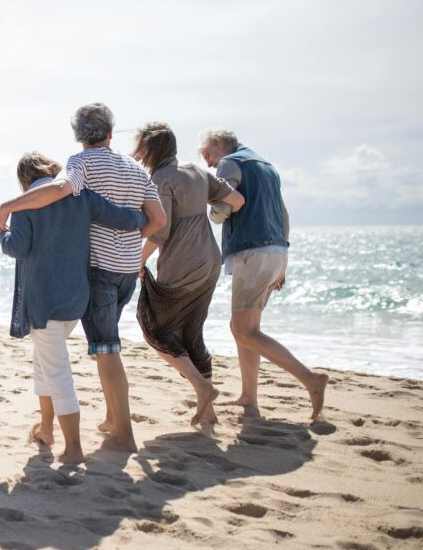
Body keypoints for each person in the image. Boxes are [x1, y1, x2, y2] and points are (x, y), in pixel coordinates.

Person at [0, 103, 166, 452]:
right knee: (65, 358)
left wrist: (6, 216)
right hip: (117, 277)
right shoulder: (127, 174)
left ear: (77, 136)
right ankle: (62, 426)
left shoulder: (64, 179)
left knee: (90, 357)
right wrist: (131, 241)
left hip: (73, 287)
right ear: (111, 133)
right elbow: (149, 219)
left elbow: (47, 208)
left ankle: (98, 440)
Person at [199, 128, 328, 420]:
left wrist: (211, 211)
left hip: (253, 251)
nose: (207, 163)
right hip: (276, 250)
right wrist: (282, 258)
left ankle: (311, 380)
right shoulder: (266, 166)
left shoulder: (230, 163)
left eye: (207, 154)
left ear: (220, 146)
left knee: (244, 330)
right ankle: (249, 397)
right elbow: (283, 215)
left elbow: (223, 206)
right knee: (246, 328)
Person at [131, 122, 246, 426]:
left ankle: (202, 386)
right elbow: (236, 200)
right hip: (210, 262)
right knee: (192, 332)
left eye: (142, 146)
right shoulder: (196, 171)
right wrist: (208, 213)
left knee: (153, 325)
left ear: (151, 148)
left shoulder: (160, 178)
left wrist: (137, 262)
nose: (139, 153)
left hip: (183, 263)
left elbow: (160, 230)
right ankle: (207, 411)